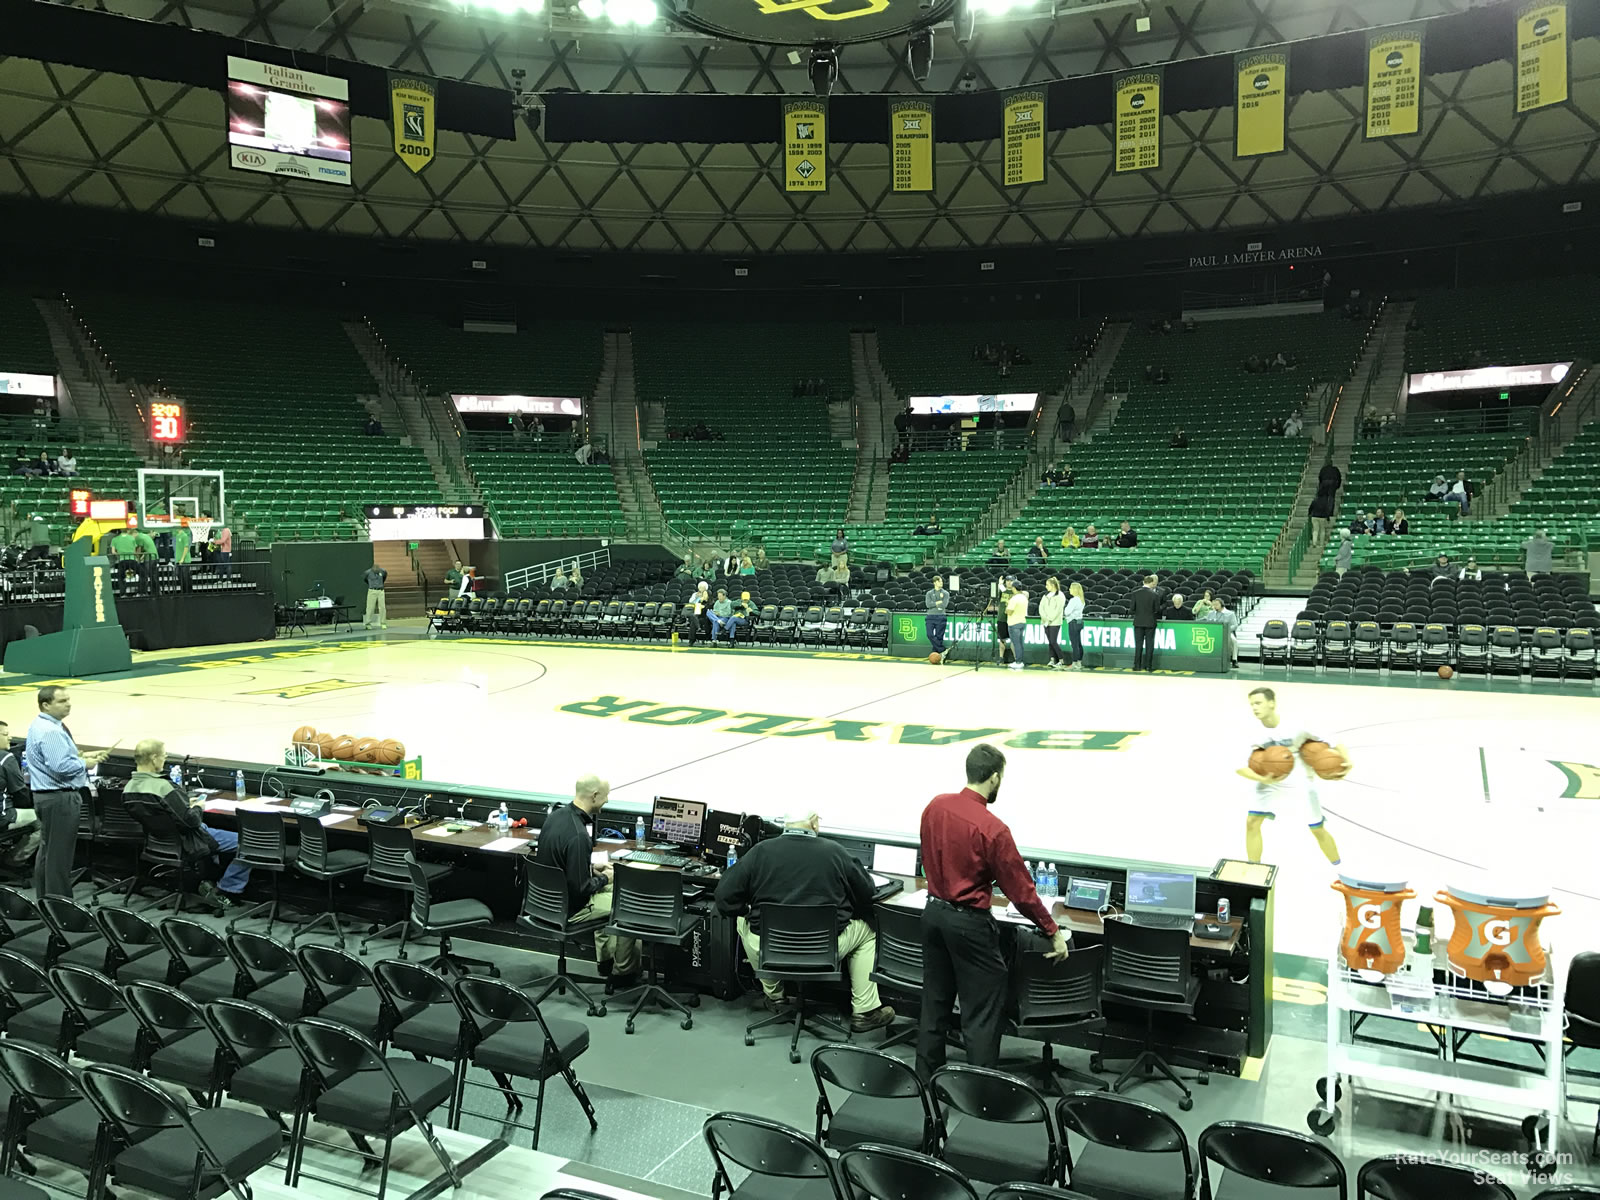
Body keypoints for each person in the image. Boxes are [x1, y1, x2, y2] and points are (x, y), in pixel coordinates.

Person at [917, 744, 1067, 1079]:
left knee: (934, 1004)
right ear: (995, 777)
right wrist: (1052, 930)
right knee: (981, 1014)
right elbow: (1021, 890)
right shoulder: (992, 829)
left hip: (933, 916)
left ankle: (926, 1082)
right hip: (968, 926)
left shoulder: (934, 807)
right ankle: (979, 1092)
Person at [715, 811, 894, 1030]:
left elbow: (723, 897)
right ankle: (865, 1011)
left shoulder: (760, 852)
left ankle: (775, 997)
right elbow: (868, 892)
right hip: (824, 948)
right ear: (814, 823)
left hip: (770, 947)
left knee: (742, 922)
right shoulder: (835, 852)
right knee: (868, 931)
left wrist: (747, 909)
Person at [533, 775, 639, 985]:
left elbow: (561, 865)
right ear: (594, 796)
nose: (607, 800)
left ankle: (605, 962)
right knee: (629, 904)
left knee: (610, 893)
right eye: (606, 796)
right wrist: (605, 877)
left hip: (544, 904)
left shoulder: (556, 817)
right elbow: (581, 889)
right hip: (569, 910)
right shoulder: (579, 835)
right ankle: (623, 974)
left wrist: (590, 868)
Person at [122, 737, 248, 908]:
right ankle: (225, 889)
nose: (164, 759)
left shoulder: (128, 788)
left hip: (159, 842)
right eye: (163, 756)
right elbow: (192, 821)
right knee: (247, 844)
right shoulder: (164, 787)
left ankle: (208, 878)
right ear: (154, 758)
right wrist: (198, 806)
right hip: (190, 840)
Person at [1236, 688, 1344, 867]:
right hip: (1270, 780)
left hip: (1298, 780)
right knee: (1252, 822)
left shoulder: (1296, 725)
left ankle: (1338, 866)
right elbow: (1239, 767)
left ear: (1272, 703)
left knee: (1317, 828)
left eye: (1258, 703)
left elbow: (1334, 742)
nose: (1254, 708)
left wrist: (1346, 759)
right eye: (1252, 704)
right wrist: (1264, 780)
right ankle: (1253, 867)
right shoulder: (1250, 732)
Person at [26, 687, 110, 898]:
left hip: (47, 797)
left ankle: (46, 898)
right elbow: (61, 766)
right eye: (62, 701)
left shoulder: (41, 725)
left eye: (68, 699)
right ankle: (61, 906)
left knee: (48, 852)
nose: (68, 703)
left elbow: (56, 757)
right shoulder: (51, 731)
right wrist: (85, 763)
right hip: (59, 798)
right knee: (59, 856)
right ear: (46, 704)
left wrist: (84, 755)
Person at [0, 721, 39, 868]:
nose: (9, 738)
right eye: (5, 734)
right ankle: (13, 860)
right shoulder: (5, 758)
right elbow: (20, 792)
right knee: (41, 819)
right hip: (1, 817)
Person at [1130, 574, 1163, 672]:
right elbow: (1157, 609)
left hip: (1138, 622)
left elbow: (1132, 609)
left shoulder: (1135, 593)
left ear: (1143, 582)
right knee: (1149, 645)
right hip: (1150, 622)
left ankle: (1137, 666)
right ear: (1151, 583)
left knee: (1138, 645)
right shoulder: (1155, 595)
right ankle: (1148, 666)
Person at [1039, 576, 1066, 669]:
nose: (1046, 586)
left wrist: (1049, 618)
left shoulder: (1060, 595)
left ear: (1053, 585)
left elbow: (1058, 610)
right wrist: (1045, 618)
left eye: (1047, 585)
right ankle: (1052, 659)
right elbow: (1041, 607)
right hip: (1045, 622)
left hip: (1055, 622)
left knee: (1053, 641)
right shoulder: (1045, 595)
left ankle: (1061, 660)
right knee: (1050, 642)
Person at [1004, 580, 1029, 670]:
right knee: (1020, 643)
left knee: (1016, 643)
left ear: (1014, 588)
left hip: (1014, 623)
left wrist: (1007, 606)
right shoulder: (1024, 598)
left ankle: (1018, 662)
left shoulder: (1014, 599)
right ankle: (1020, 661)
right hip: (1022, 622)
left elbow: (1009, 612)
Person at [925, 574, 950, 661]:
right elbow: (928, 605)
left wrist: (934, 603)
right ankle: (942, 650)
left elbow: (944, 605)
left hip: (941, 616)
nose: (941, 583)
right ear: (935, 582)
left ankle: (936, 655)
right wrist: (938, 602)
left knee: (939, 636)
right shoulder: (929, 593)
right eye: (940, 581)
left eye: (942, 581)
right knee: (929, 634)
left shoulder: (946, 593)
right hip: (930, 616)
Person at [1063, 581, 1087, 670]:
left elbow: (1067, 612)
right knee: (1079, 643)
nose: (1069, 589)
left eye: (1070, 588)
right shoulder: (1081, 599)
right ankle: (1079, 662)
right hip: (1079, 622)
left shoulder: (1074, 600)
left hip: (1073, 622)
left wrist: (1066, 611)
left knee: (1074, 644)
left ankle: (1074, 663)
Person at [363, 563, 388, 629]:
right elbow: (365, 580)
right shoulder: (367, 572)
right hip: (372, 591)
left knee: (382, 607)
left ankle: (383, 623)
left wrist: (380, 584)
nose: (377, 571)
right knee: (370, 607)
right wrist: (371, 585)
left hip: (381, 591)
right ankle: (368, 624)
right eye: (375, 570)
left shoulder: (383, 571)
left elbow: (384, 578)